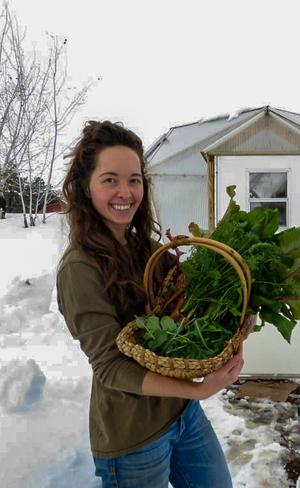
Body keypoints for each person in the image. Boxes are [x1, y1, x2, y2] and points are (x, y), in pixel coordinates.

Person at [56, 120, 253, 487]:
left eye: (134, 180)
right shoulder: (79, 268)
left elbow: (187, 308)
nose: (126, 192)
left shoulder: (145, 248)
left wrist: (237, 315)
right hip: (132, 435)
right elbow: (111, 367)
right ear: (85, 187)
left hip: (182, 415)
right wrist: (197, 389)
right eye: (110, 179)